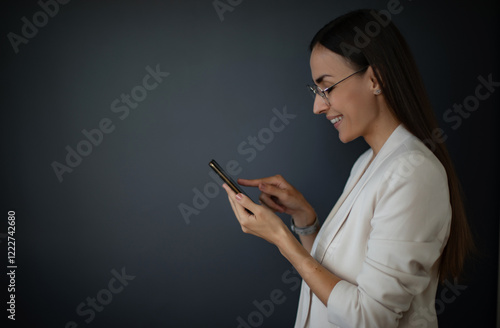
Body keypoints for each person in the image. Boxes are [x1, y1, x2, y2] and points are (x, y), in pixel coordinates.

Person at [222, 9, 473, 328]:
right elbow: (338, 280)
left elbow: (371, 318)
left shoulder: (414, 173)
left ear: (374, 79)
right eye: (316, 91)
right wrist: (305, 221)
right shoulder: (366, 163)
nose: (318, 106)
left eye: (327, 88)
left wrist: (282, 240)